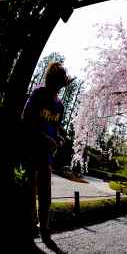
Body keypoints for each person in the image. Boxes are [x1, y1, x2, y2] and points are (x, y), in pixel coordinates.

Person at [22, 62, 73, 253]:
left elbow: (56, 127)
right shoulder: (38, 94)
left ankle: (44, 230)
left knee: (45, 194)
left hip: (47, 156)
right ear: (51, 81)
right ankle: (29, 226)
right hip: (31, 149)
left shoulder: (59, 105)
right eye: (57, 85)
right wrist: (45, 138)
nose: (58, 90)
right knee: (29, 190)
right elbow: (26, 120)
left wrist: (59, 138)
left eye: (61, 87)